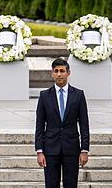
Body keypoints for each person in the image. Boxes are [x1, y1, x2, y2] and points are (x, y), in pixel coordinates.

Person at [35, 58, 90, 188]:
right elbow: (39, 125)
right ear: (52, 73)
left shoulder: (78, 95)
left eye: (62, 71)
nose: (59, 74)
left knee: (71, 184)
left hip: (71, 149)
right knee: (51, 185)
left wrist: (84, 150)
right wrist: (39, 151)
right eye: (56, 71)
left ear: (68, 73)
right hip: (50, 149)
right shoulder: (44, 96)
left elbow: (84, 124)